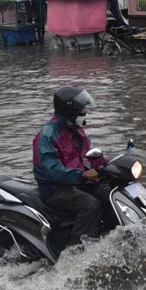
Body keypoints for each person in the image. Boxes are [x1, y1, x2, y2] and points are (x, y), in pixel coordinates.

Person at [33, 86, 110, 247]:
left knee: (109, 193)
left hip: (77, 183)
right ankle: (75, 251)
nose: (84, 112)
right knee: (90, 205)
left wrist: (108, 166)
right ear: (70, 109)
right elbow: (53, 170)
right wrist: (82, 175)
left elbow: (88, 156)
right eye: (81, 108)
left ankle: (109, 235)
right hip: (55, 189)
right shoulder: (48, 134)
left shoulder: (76, 130)